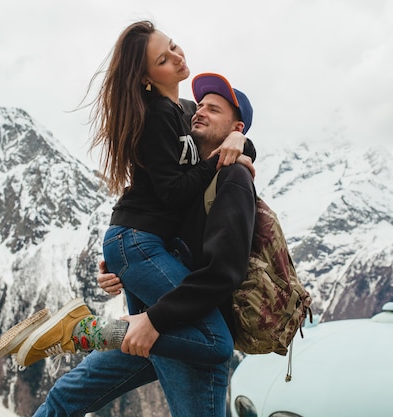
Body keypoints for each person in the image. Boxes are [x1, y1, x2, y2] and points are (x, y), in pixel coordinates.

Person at [28, 73, 258, 417]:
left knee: (70, 398)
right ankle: (83, 331)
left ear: (236, 126)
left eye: (214, 109)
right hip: (170, 323)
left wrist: (153, 320)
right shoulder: (189, 174)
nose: (200, 112)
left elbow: (222, 271)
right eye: (200, 107)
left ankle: (86, 331)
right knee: (65, 400)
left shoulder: (233, 178)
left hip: (186, 323)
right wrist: (125, 270)